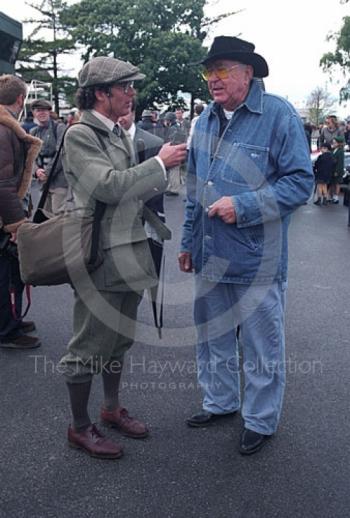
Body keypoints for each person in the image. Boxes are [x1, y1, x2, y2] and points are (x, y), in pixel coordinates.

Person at [178, 36, 314, 455]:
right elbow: (194, 189)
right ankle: (220, 401)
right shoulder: (204, 120)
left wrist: (245, 206)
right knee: (212, 338)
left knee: (261, 345)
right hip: (210, 254)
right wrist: (187, 241)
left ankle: (260, 419)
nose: (213, 79)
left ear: (247, 72)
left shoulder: (279, 116)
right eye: (208, 71)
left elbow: (300, 182)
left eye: (221, 70)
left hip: (258, 258)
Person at [58, 56, 186, 460]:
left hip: (129, 249)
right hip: (99, 254)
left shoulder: (115, 131)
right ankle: (79, 427)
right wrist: (158, 163)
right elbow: (111, 187)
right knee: (88, 344)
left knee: (119, 340)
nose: (133, 93)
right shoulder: (81, 134)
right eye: (126, 87)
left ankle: (110, 409)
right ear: (101, 93)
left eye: (133, 86)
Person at [0, 75, 42, 350]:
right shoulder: (4, 131)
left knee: (8, 273)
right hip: (3, 215)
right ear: (20, 99)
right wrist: (17, 225)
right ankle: (7, 330)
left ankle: (11, 319)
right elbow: (3, 183)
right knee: (3, 275)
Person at [30, 99, 68, 214]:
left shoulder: (59, 128)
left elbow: (61, 153)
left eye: (45, 110)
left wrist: (47, 173)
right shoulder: (33, 132)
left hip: (59, 181)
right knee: (45, 215)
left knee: (58, 216)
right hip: (43, 182)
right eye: (38, 110)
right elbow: (30, 156)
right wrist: (36, 171)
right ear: (34, 113)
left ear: (49, 112)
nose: (42, 113)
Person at [329, 135, 345, 204]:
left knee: (337, 184)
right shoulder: (333, 150)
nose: (333, 144)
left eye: (335, 142)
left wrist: (337, 171)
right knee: (332, 184)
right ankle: (332, 197)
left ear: (339, 143)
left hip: (337, 170)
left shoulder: (340, 151)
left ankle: (336, 198)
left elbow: (340, 163)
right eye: (333, 142)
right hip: (332, 170)